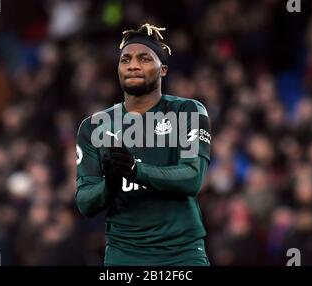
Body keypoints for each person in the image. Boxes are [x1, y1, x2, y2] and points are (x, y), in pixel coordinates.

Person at [75, 23, 211, 266]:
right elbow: (85, 201)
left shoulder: (187, 111)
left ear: (163, 70)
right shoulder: (94, 126)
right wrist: (111, 185)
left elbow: (192, 177)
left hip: (181, 254)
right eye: (125, 60)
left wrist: (136, 171)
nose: (133, 65)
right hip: (123, 256)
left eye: (145, 58)